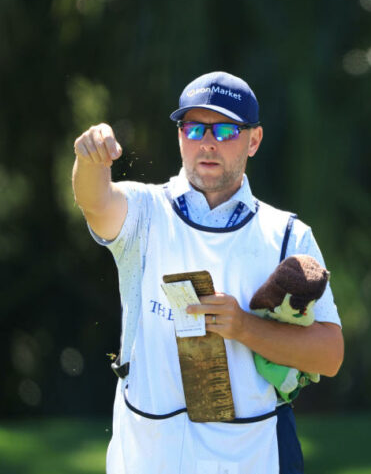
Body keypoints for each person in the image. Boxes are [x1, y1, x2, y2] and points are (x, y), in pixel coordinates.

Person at [72, 71, 343, 474]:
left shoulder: (287, 234)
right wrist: (89, 159)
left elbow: (330, 355)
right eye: (194, 128)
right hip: (148, 454)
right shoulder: (145, 210)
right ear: (180, 136)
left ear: (254, 140)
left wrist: (244, 328)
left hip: (251, 454)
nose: (208, 142)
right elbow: (94, 202)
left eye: (226, 129)